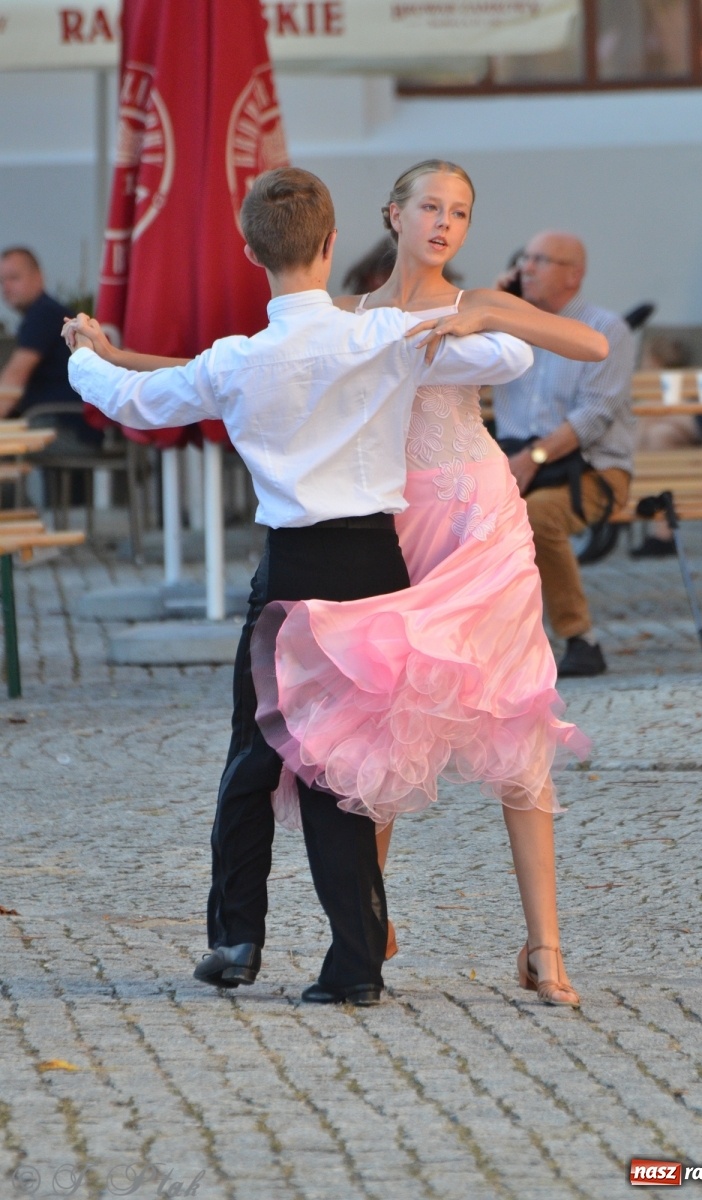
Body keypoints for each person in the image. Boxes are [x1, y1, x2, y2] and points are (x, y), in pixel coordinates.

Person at [62, 166, 538, 1008]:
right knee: (346, 767)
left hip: (292, 571)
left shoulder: (240, 360)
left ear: (251, 251)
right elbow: (511, 353)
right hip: (373, 569)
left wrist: (83, 358)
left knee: (256, 754)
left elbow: (133, 402)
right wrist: (455, 319)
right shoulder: (384, 336)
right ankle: (355, 965)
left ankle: (237, 937)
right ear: (329, 244)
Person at [251, 161, 609, 1006]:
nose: (444, 224)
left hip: (482, 523)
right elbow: (241, 360)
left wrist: (481, 310)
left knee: (517, 717)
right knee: (381, 723)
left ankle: (544, 948)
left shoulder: (475, 299)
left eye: (459, 213)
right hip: (398, 527)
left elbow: (591, 345)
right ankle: (366, 925)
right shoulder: (350, 316)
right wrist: (117, 356)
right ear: (393, 215)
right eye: (430, 209)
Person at [492, 231, 635, 677]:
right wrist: (493, 308)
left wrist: (531, 461)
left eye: (541, 260)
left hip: (593, 470)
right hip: (512, 462)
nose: (526, 268)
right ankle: (484, 645)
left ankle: (581, 641)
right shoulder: (509, 325)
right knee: (446, 513)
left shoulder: (605, 329)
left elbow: (595, 415)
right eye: (525, 258)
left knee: (536, 516)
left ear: (573, 275)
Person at [0, 247, 102, 454]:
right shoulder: (46, 313)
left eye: (14, 278)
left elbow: (14, 377)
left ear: (39, 277)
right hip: (75, 425)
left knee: (9, 451)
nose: (6, 287)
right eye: (2, 281)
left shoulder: (43, 314)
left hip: (65, 426)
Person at [631, 333, 699, 559]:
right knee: (654, 429)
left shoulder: (675, 390)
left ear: (654, 362)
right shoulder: (681, 388)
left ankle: (660, 527)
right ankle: (659, 525)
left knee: (655, 429)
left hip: (688, 446)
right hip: (670, 442)